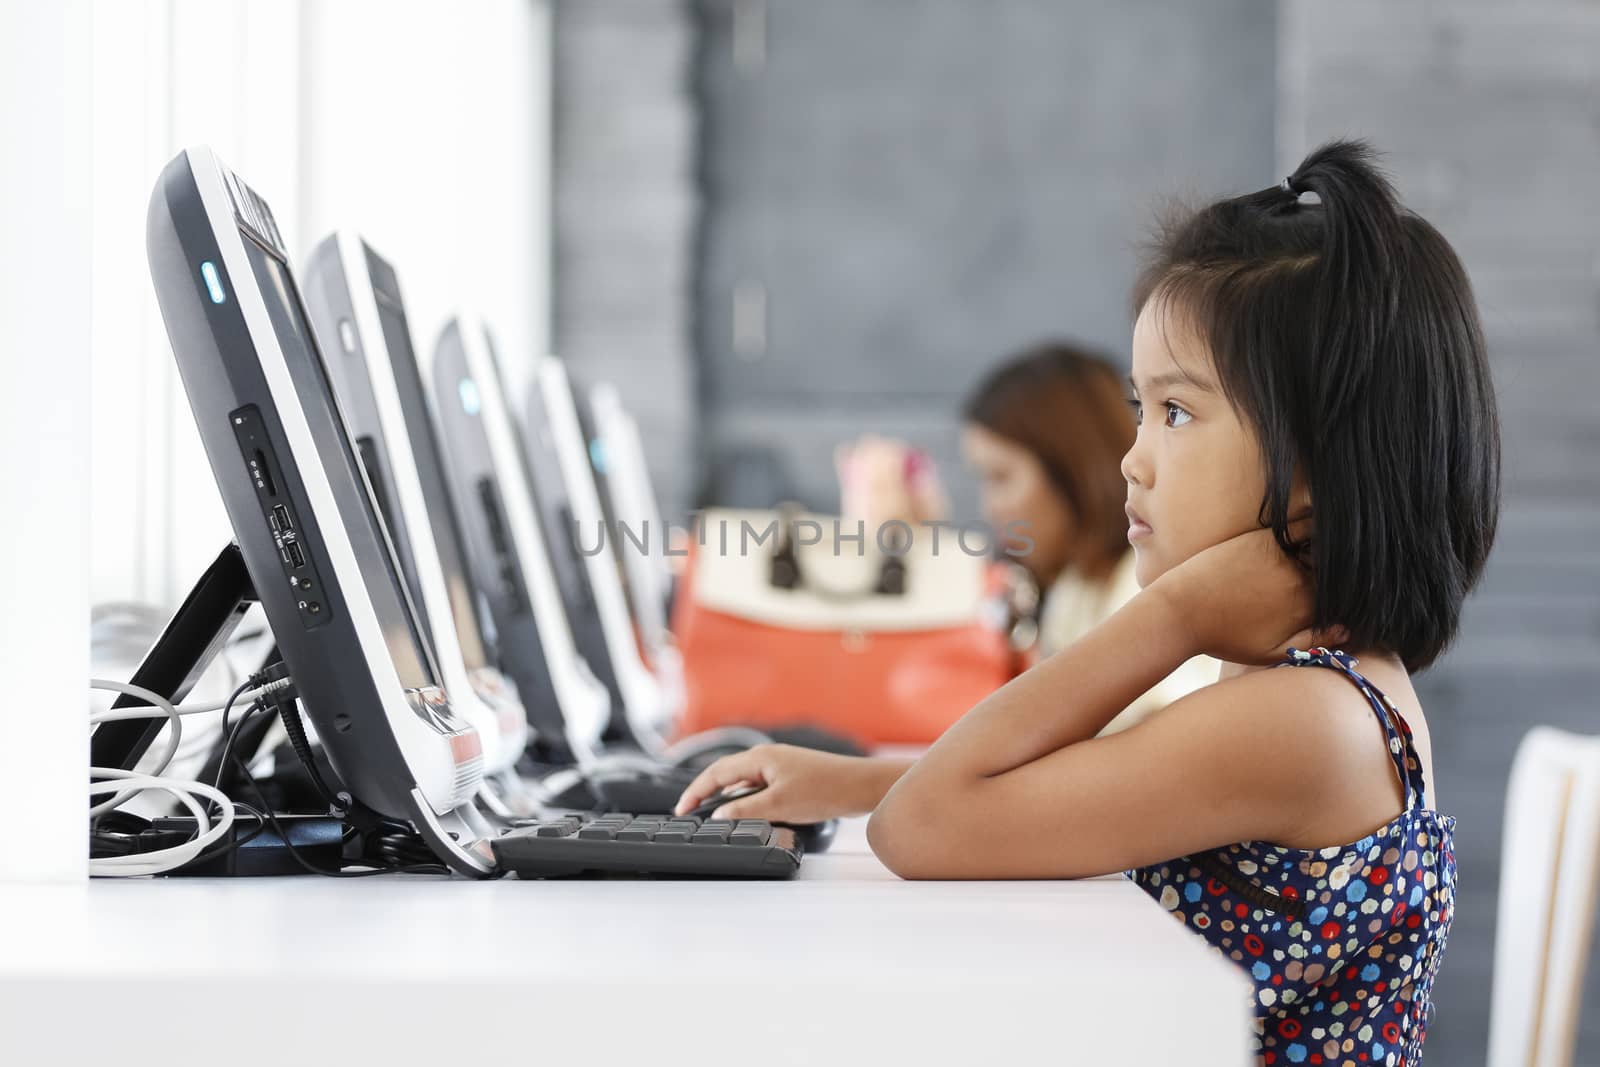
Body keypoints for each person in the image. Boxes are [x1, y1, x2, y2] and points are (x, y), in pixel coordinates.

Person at [672, 355, 1214, 823]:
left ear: (1075, 470)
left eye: (1000, 478)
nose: (989, 507)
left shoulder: (1145, 597)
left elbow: (1090, 780)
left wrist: (853, 785)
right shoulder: (1076, 591)